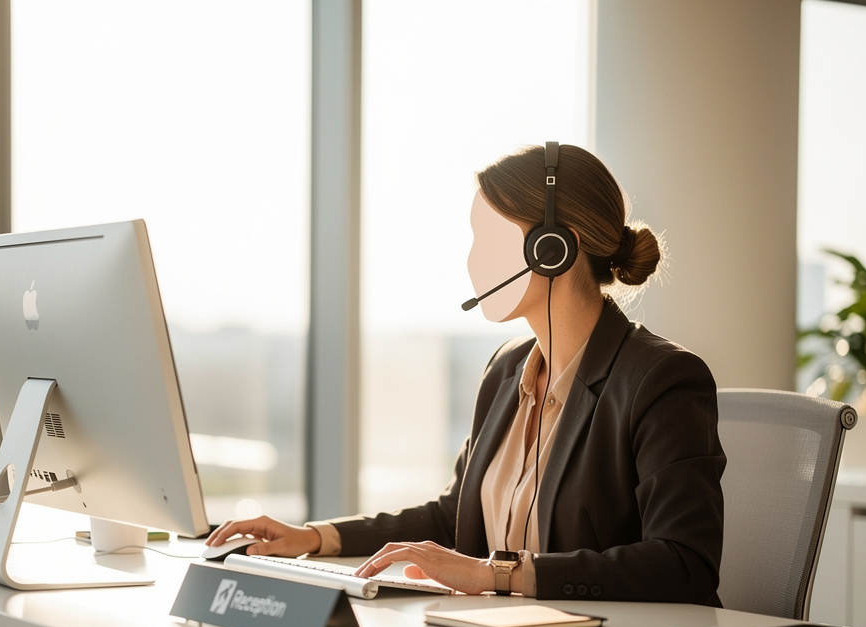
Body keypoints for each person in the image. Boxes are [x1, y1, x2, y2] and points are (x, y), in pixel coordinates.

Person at [207, 143, 725, 603]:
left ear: (553, 248)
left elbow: (683, 564)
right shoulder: (506, 371)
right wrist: (318, 537)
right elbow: (453, 518)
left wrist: (495, 573)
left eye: (490, 239)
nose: (473, 260)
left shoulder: (661, 379)